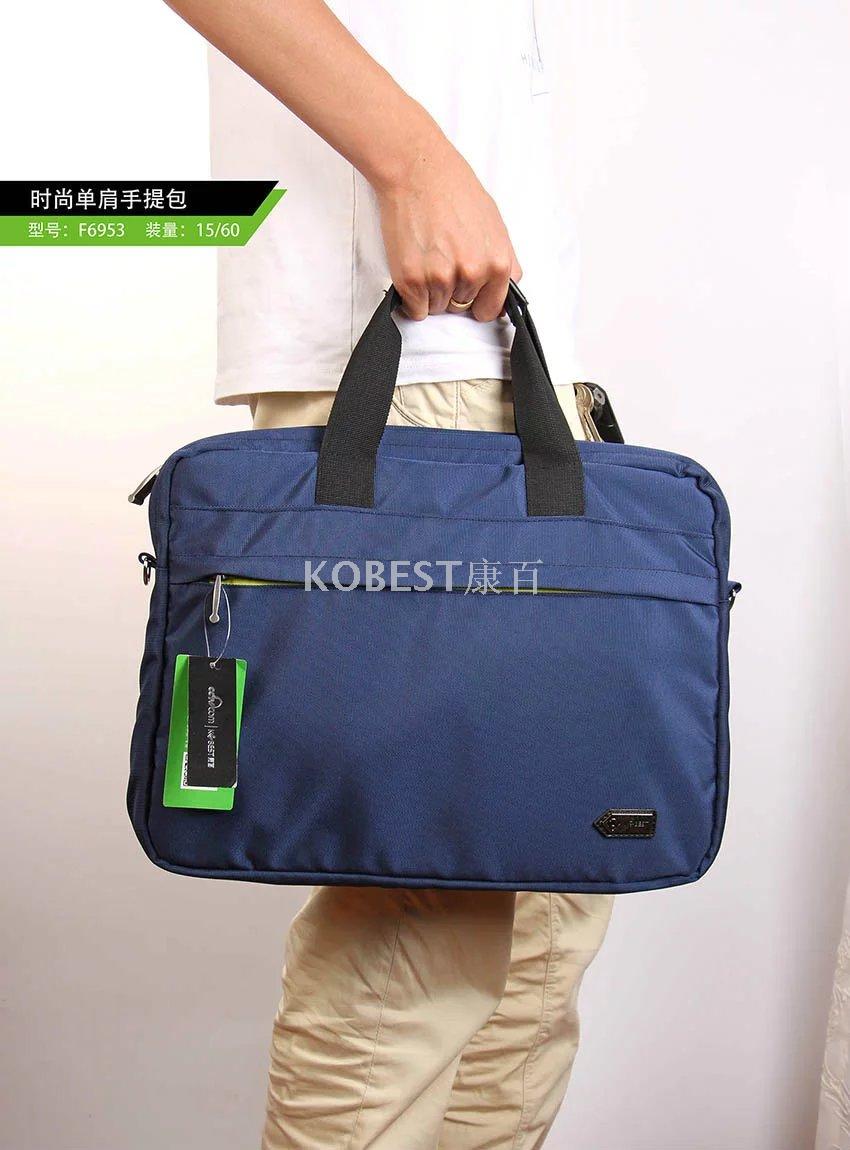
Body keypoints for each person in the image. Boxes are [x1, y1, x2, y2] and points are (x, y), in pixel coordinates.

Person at [164, 2, 614, 1146]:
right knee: (425, 892)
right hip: (422, 349)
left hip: (509, 358)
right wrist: (410, 160)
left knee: (547, 896)